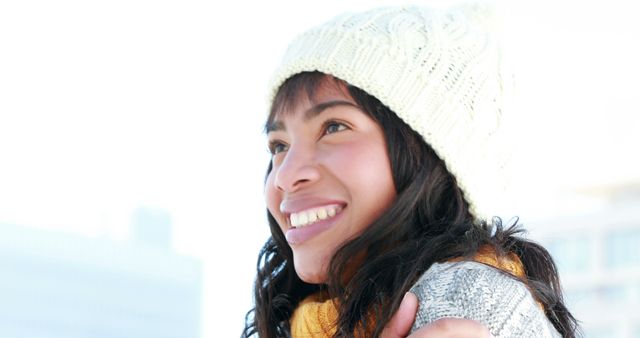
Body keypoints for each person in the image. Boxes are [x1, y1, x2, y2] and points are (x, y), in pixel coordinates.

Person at [242, 4, 579, 338]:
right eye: (279, 146)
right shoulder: (302, 324)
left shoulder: (463, 306)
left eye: (334, 127)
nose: (286, 176)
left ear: (429, 151)